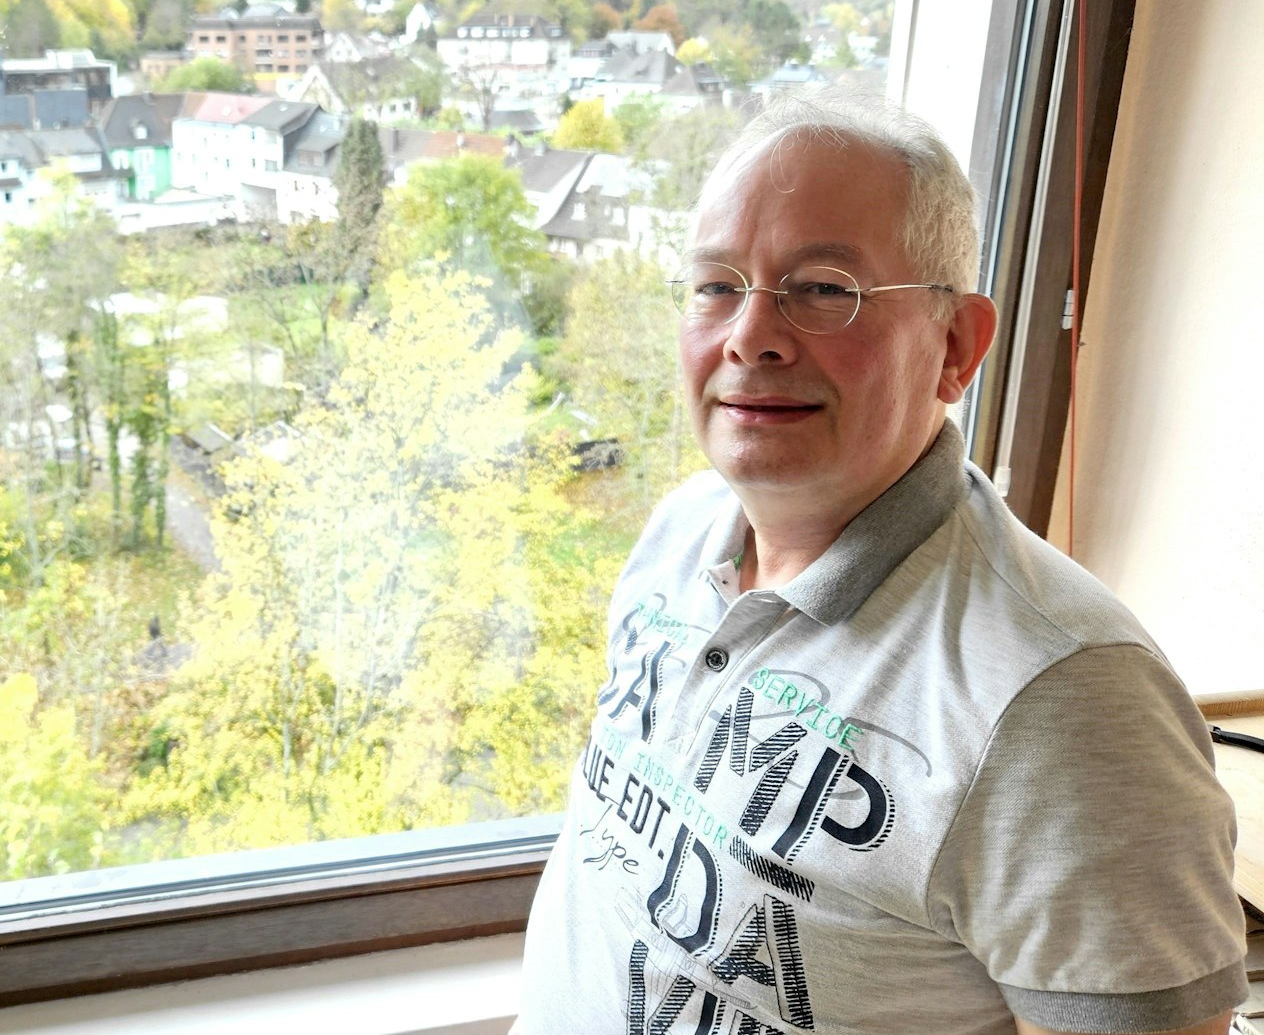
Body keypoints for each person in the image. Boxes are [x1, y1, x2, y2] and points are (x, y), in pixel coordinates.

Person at [516, 92, 1248, 1035]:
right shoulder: (682, 531)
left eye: (823, 287)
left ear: (956, 347)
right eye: (716, 285)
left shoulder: (1067, 705)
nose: (749, 335)